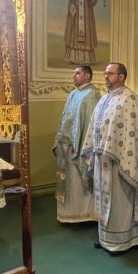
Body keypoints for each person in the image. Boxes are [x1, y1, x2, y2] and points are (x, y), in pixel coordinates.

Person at [82, 62, 138, 253]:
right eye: (105, 73)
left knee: (119, 201)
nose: (105, 76)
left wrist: (116, 152)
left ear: (121, 76)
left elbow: (133, 134)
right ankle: (105, 238)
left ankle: (124, 241)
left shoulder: (129, 99)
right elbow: (95, 126)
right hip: (102, 159)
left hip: (121, 161)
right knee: (102, 199)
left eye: (110, 73)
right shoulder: (104, 99)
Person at [53, 65, 101, 223]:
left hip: (79, 146)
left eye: (78, 73)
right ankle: (67, 214)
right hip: (66, 145)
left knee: (78, 181)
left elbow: (91, 123)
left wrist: (83, 145)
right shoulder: (73, 93)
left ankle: (84, 215)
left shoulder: (92, 95)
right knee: (69, 180)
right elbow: (65, 117)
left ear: (87, 76)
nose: (74, 76)